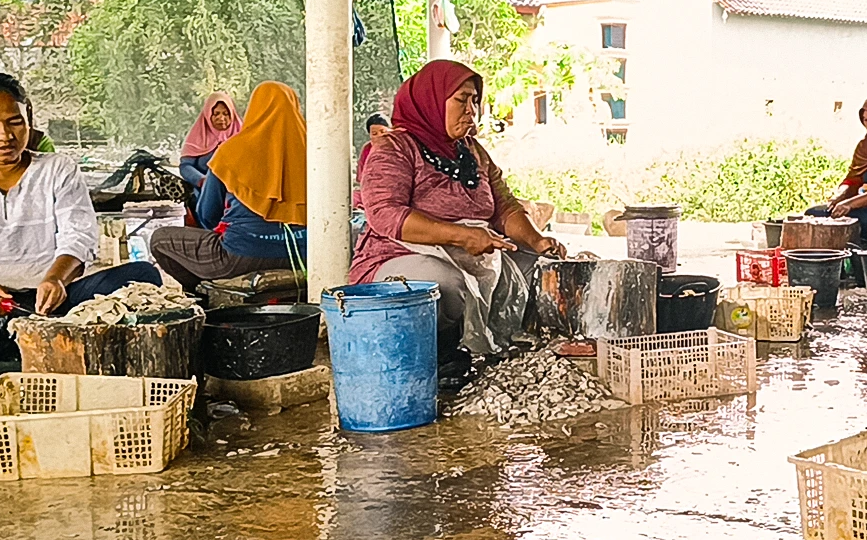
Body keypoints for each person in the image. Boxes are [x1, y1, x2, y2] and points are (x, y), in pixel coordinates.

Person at [0, 73, 161, 391]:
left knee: (142, 277)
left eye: (14, 122)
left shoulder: (57, 169)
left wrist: (56, 279)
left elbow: (78, 235)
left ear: (29, 118)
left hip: (51, 307)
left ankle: (64, 357)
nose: (4, 135)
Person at [352, 60, 565, 357]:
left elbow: (504, 207)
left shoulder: (473, 151)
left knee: (540, 269)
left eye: (475, 100)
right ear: (432, 101)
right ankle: (442, 353)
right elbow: (386, 214)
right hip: (400, 255)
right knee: (447, 287)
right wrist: (461, 236)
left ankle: (497, 344)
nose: (471, 110)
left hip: (470, 249)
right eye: (461, 100)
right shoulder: (395, 148)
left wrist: (537, 240)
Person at [150, 82, 307, 293]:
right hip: (304, 256)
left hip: (240, 256)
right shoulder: (315, 152)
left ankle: (202, 297)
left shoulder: (230, 151)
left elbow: (207, 215)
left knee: (160, 239)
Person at [806, 94, 867, 247]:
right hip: (859, 201)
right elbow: (854, 178)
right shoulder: (864, 146)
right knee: (814, 214)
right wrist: (840, 196)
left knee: (865, 219)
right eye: (865, 120)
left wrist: (850, 204)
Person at [179, 92, 243, 187]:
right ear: (208, 115)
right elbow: (185, 166)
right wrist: (202, 180)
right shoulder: (198, 137)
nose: (221, 118)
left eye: (226, 114)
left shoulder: (242, 137)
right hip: (203, 189)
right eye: (216, 114)